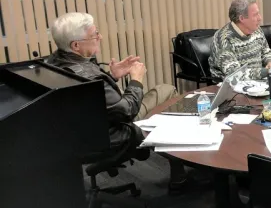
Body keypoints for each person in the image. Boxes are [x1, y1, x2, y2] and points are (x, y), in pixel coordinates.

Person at [46, 12, 191, 193]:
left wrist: (111, 76)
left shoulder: (53, 63)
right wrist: (136, 81)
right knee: (167, 92)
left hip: (78, 134)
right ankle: (179, 175)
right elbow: (126, 111)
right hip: (114, 132)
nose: (100, 37)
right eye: (94, 35)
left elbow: (91, 97)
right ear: (76, 45)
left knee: (164, 93)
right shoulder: (90, 77)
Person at [209, 0, 271, 81]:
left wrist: (270, 62)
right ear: (242, 18)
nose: (260, 18)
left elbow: (266, 52)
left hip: (258, 82)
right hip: (230, 87)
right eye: (255, 15)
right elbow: (235, 74)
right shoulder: (223, 39)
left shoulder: (256, 30)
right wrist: (268, 72)